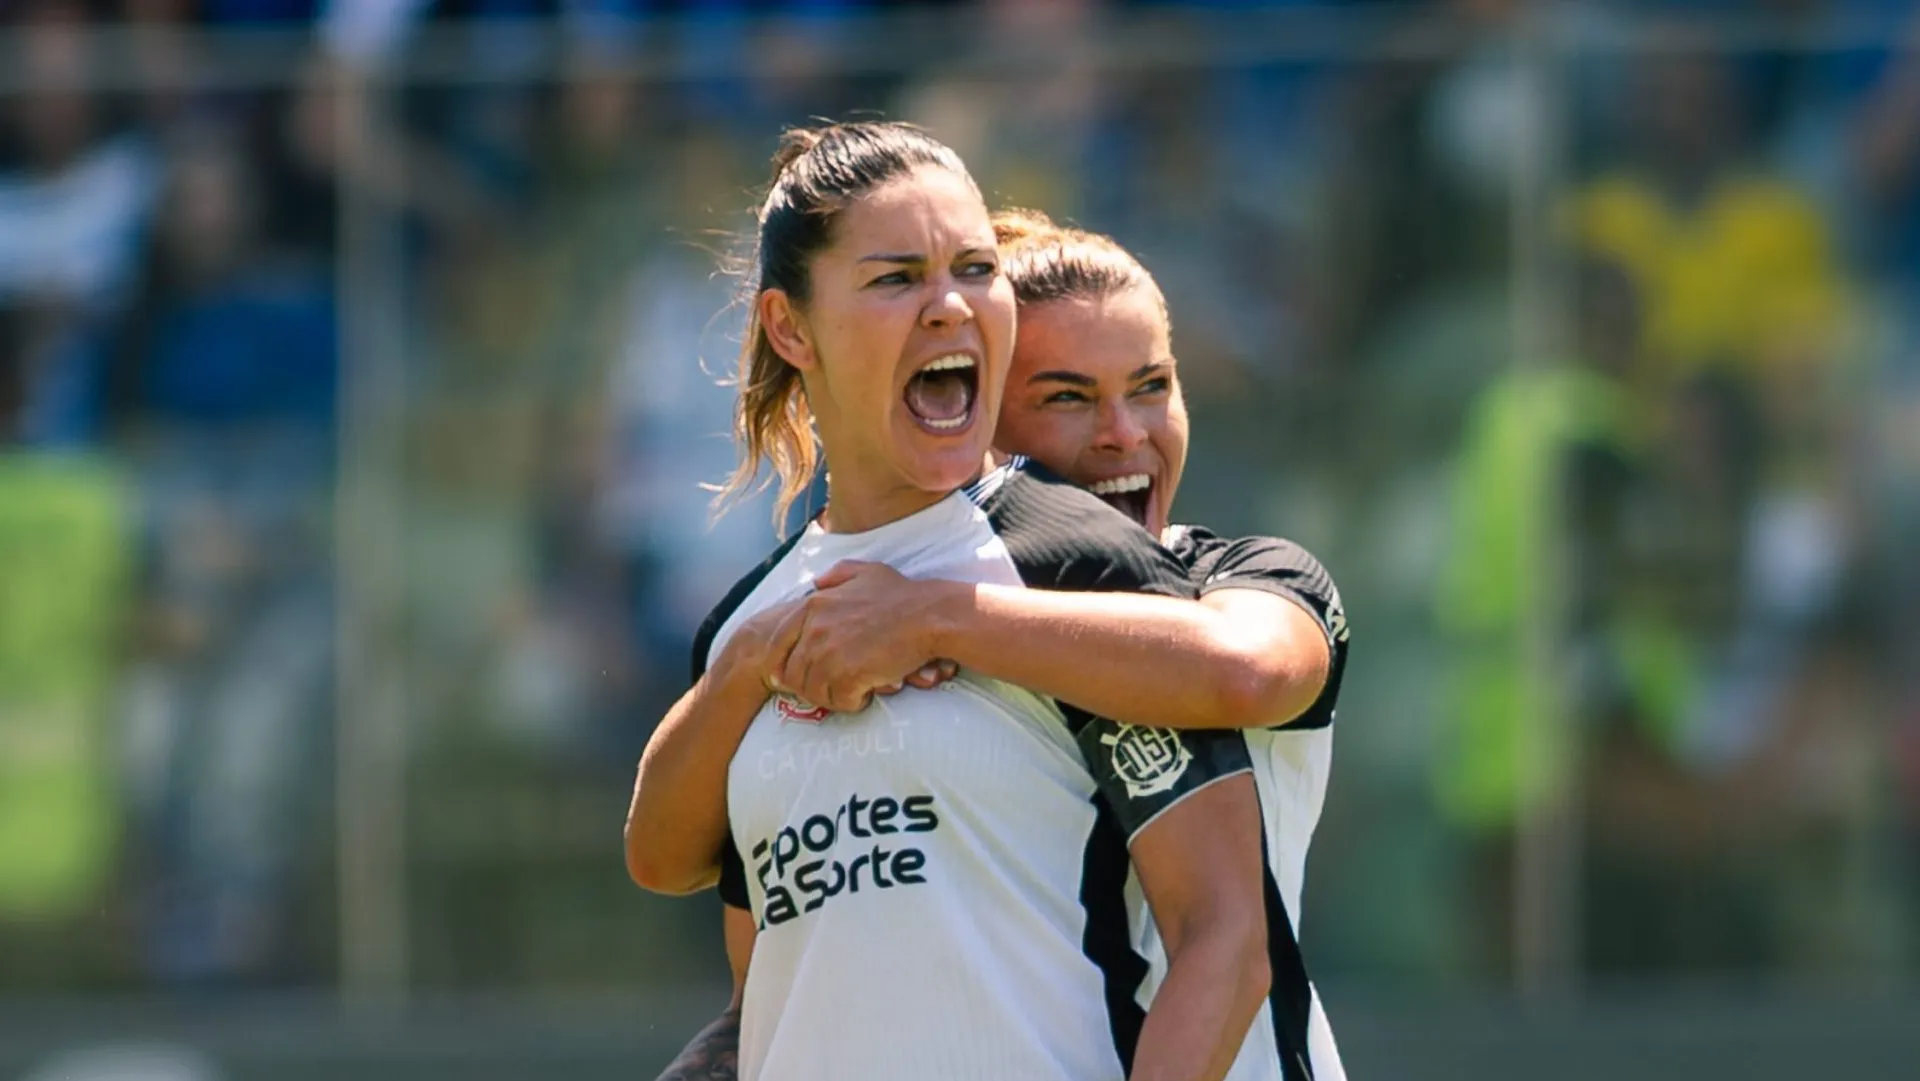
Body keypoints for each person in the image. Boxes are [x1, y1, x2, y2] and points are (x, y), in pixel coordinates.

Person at [624, 122, 1275, 1081]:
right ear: (789, 326)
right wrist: (749, 664)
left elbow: (1225, 937)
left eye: (975, 268)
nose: (949, 307)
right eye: (896, 278)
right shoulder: (751, 621)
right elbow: (671, 867)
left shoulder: (1076, 559)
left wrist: (935, 615)